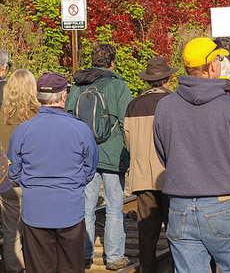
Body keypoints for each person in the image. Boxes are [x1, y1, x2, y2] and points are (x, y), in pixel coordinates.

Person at [153, 37, 230, 272]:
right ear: (212, 67)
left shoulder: (165, 106)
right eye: (219, 58)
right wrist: (222, 176)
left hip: (179, 206)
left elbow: (163, 155)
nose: (220, 62)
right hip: (221, 202)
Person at [8, 72, 99, 273]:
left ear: (39, 96)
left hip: (36, 212)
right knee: (71, 268)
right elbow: (90, 169)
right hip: (70, 210)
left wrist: (33, 184)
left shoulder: (23, 131)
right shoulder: (81, 130)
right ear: (63, 96)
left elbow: (13, 172)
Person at [65, 43, 133, 270]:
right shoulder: (118, 85)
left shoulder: (78, 85)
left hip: (85, 155)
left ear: (93, 60)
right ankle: (114, 257)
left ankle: (84, 254)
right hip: (113, 155)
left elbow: (69, 118)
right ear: (112, 62)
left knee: (86, 206)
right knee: (114, 206)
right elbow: (127, 121)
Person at [124, 57, 178, 273]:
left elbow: (128, 141)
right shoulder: (175, 102)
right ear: (169, 79)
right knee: (175, 231)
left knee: (146, 232)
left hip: (143, 176)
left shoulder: (134, 105)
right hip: (170, 176)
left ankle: (147, 269)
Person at [0, 69, 40, 273]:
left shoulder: (1, 115)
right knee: (36, 230)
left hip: (6, 183)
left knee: (11, 232)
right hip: (33, 182)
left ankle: (15, 269)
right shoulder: (38, 114)